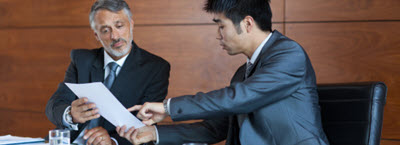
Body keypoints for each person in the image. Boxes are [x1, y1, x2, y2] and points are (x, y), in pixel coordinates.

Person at [116, 0, 329, 145]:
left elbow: (240, 98)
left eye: (221, 26)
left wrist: (167, 107)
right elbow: (216, 128)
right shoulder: (241, 73)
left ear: (247, 23)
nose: (218, 35)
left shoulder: (289, 54)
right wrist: (154, 133)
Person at [45, 0, 170, 145]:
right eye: (105, 30)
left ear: (131, 24)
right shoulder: (81, 60)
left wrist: (112, 141)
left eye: (119, 26)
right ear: (96, 35)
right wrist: (70, 115)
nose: (115, 36)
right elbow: (54, 105)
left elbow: (146, 127)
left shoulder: (156, 68)